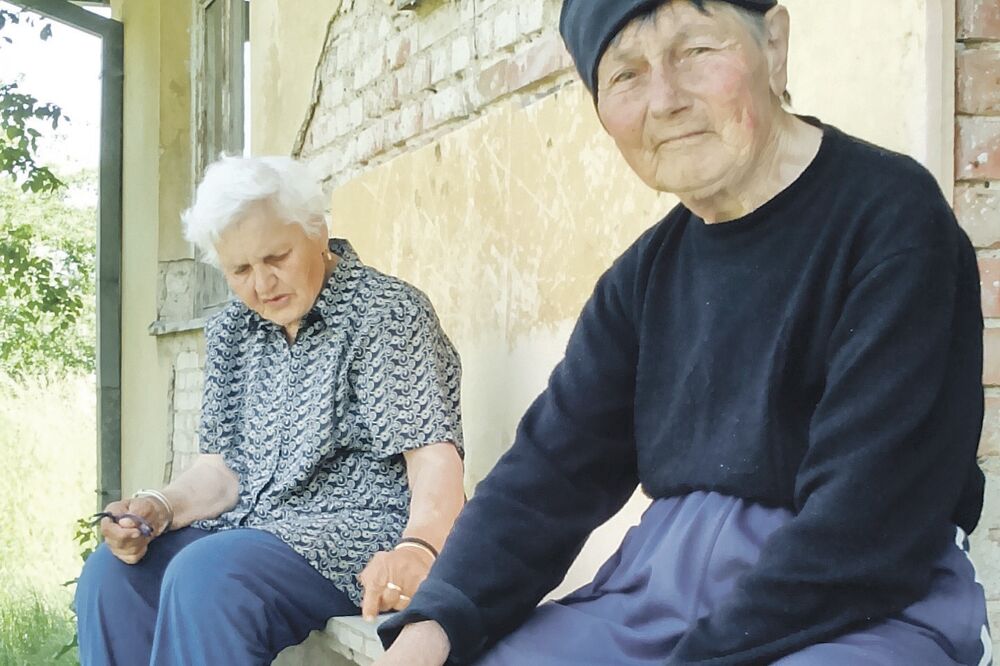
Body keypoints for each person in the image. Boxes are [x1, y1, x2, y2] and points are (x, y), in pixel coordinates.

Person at [376, 1, 992, 664]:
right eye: (626, 75)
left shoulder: (893, 223)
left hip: (859, 600)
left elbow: (868, 521)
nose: (665, 100)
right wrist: (433, 624)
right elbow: (547, 476)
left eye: (696, 52)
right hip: (657, 595)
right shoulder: (643, 278)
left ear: (775, 46)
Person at [74, 155, 466, 666]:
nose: (262, 285)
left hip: (352, 537)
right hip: (252, 532)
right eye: (240, 269)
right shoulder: (232, 330)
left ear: (318, 232)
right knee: (113, 575)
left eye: (275, 257)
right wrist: (160, 506)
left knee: (209, 576)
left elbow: (433, 458)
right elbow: (222, 470)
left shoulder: (386, 314)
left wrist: (418, 549)